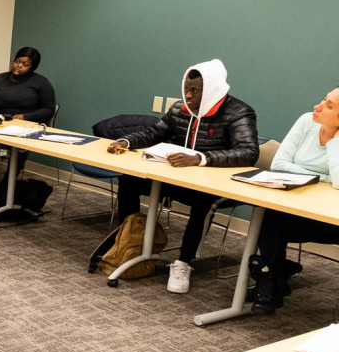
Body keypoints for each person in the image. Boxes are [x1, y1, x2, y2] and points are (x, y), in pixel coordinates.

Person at [106, 59, 258, 294]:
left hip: (210, 183)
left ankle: (183, 262)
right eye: (186, 89)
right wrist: (127, 141)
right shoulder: (179, 109)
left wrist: (201, 158)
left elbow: (248, 153)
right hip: (175, 176)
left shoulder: (239, 112)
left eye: (195, 91)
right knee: (128, 180)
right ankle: (128, 242)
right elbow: (155, 133)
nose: (188, 95)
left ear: (213, 89)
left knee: (203, 202)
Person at [247, 86, 339, 313]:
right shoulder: (307, 121)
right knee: (268, 215)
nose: (317, 107)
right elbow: (278, 164)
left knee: (272, 220)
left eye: (329, 106)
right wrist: (320, 177)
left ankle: (274, 275)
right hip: (293, 209)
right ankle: (272, 278)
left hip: (329, 220)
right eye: (323, 99)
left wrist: (335, 142)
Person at [0, 47, 55, 192]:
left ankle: (6, 186)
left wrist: (25, 117)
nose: (19, 66)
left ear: (32, 67)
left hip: (24, 128)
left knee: (19, 150)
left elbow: (49, 109)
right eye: (17, 61)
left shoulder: (41, 83)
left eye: (25, 64)